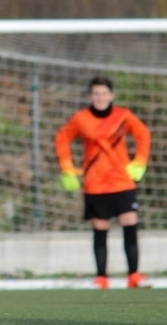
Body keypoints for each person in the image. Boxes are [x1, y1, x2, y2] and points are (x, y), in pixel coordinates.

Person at [54, 76, 152, 290]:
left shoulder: (123, 116)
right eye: (96, 93)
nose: (100, 97)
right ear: (90, 96)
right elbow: (62, 138)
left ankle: (134, 275)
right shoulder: (81, 118)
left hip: (122, 181)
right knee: (100, 228)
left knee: (130, 223)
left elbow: (143, 134)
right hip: (95, 182)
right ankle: (101, 278)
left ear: (112, 95)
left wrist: (139, 161)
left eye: (104, 93)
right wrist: (67, 167)